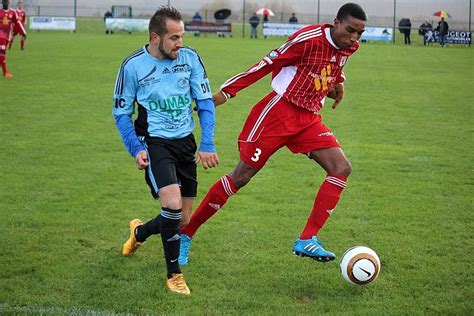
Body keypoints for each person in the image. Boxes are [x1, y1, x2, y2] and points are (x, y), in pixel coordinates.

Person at [179, 3, 367, 266]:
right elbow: (267, 63)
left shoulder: (350, 46)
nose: (354, 38)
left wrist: (338, 84)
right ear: (336, 22)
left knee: (341, 168)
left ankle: (307, 239)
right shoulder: (307, 40)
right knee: (241, 176)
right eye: (350, 30)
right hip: (278, 114)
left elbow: (334, 65)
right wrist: (225, 93)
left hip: (309, 119)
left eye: (360, 33)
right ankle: (185, 234)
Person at [112, 6, 219, 295]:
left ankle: (139, 233)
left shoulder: (191, 59)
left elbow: (206, 103)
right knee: (171, 207)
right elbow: (122, 113)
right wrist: (135, 147)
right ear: (155, 37)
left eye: (182, 36)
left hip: (186, 142)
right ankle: (174, 275)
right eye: (174, 38)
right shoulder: (132, 66)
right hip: (154, 143)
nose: (180, 43)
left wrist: (207, 143)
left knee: (182, 218)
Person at [0, 0, 26, 78]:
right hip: (0, 35)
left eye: (6, 1)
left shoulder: (13, 12)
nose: (5, 3)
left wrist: (23, 32)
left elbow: (18, 23)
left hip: (7, 36)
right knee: (2, 51)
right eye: (3, 1)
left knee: (2, 54)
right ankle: (5, 73)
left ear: (8, 2)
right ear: (2, 3)